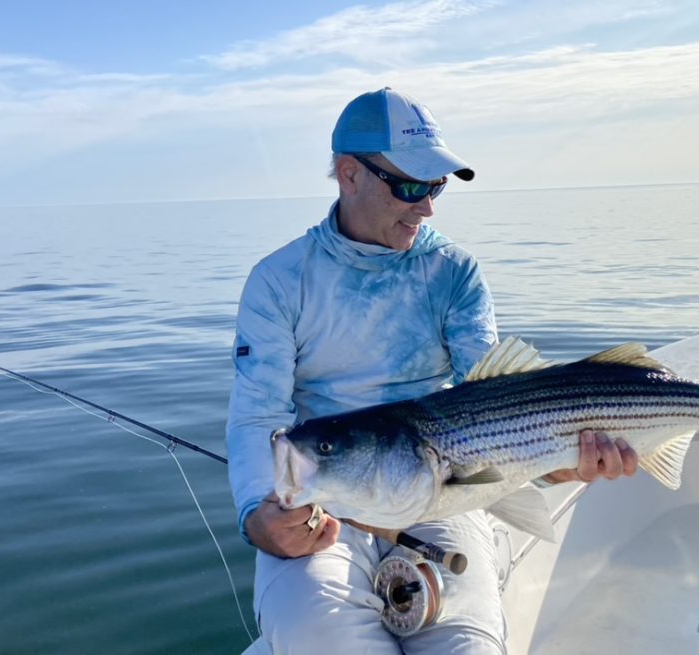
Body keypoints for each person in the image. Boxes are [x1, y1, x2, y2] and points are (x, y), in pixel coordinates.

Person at [226, 87, 638, 654]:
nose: (428, 208)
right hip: (320, 502)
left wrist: (554, 462)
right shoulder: (279, 280)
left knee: (469, 646)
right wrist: (256, 514)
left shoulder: (454, 272)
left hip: (442, 488)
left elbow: (493, 397)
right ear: (349, 175)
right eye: (411, 186)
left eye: (436, 186)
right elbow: (258, 416)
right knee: (319, 639)